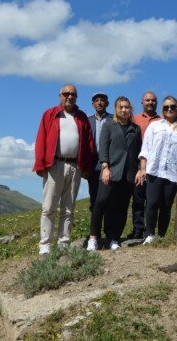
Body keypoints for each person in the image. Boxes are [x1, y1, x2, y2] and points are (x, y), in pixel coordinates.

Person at [33, 84, 95, 255]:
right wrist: (40, 164)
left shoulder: (82, 117)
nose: (69, 97)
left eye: (73, 94)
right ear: (60, 96)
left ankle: (64, 244)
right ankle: (45, 245)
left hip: (75, 166)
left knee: (69, 208)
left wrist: (87, 167)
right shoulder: (50, 114)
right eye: (66, 94)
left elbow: (89, 144)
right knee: (49, 207)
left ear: (76, 97)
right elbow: (41, 139)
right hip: (54, 165)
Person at [88, 96, 142, 251]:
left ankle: (114, 238)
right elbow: (103, 148)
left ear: (130, 109)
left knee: (121, 207)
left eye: (127, 107)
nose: (124, 110)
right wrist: (105, 167)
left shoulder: (135, 129)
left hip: (128, 174)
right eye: (121, 107)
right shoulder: (109, 125)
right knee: (100, 203)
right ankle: (93, 238)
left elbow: (138, 151)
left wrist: (139, 169)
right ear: (116, 110)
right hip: (110, 172)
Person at [137, 96, 177, 245]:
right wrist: (143, 168)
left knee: (166, 206)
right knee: (152, 203)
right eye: (166, 107)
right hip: (154, 170)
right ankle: (150, 234)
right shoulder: (154, 126)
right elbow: (145, 149)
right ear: (162, 110)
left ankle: (161, 235)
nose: (169, 109)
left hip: (172, 173)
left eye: (172, 106)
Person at [128, 91, 160, 239]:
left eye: (153, 101)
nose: (150, 103)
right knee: (138, 198)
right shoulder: (133, 120)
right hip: (137, 164)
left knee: (153, 199)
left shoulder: (162, 121)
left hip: (155, 164)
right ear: (142, 103)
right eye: (147, 100)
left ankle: (151, 230)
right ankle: (138, 229)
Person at [87, 92, 113, 213]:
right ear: (93, 104)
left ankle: (108, 229)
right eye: (96, 100)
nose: (99, 102)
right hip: (92, 163)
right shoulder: (88, 121)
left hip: (110, 163)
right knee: (94, 196)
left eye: (102, 100)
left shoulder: (114, 120)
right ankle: (94, 230)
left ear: (107, 103)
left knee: (108, 197)